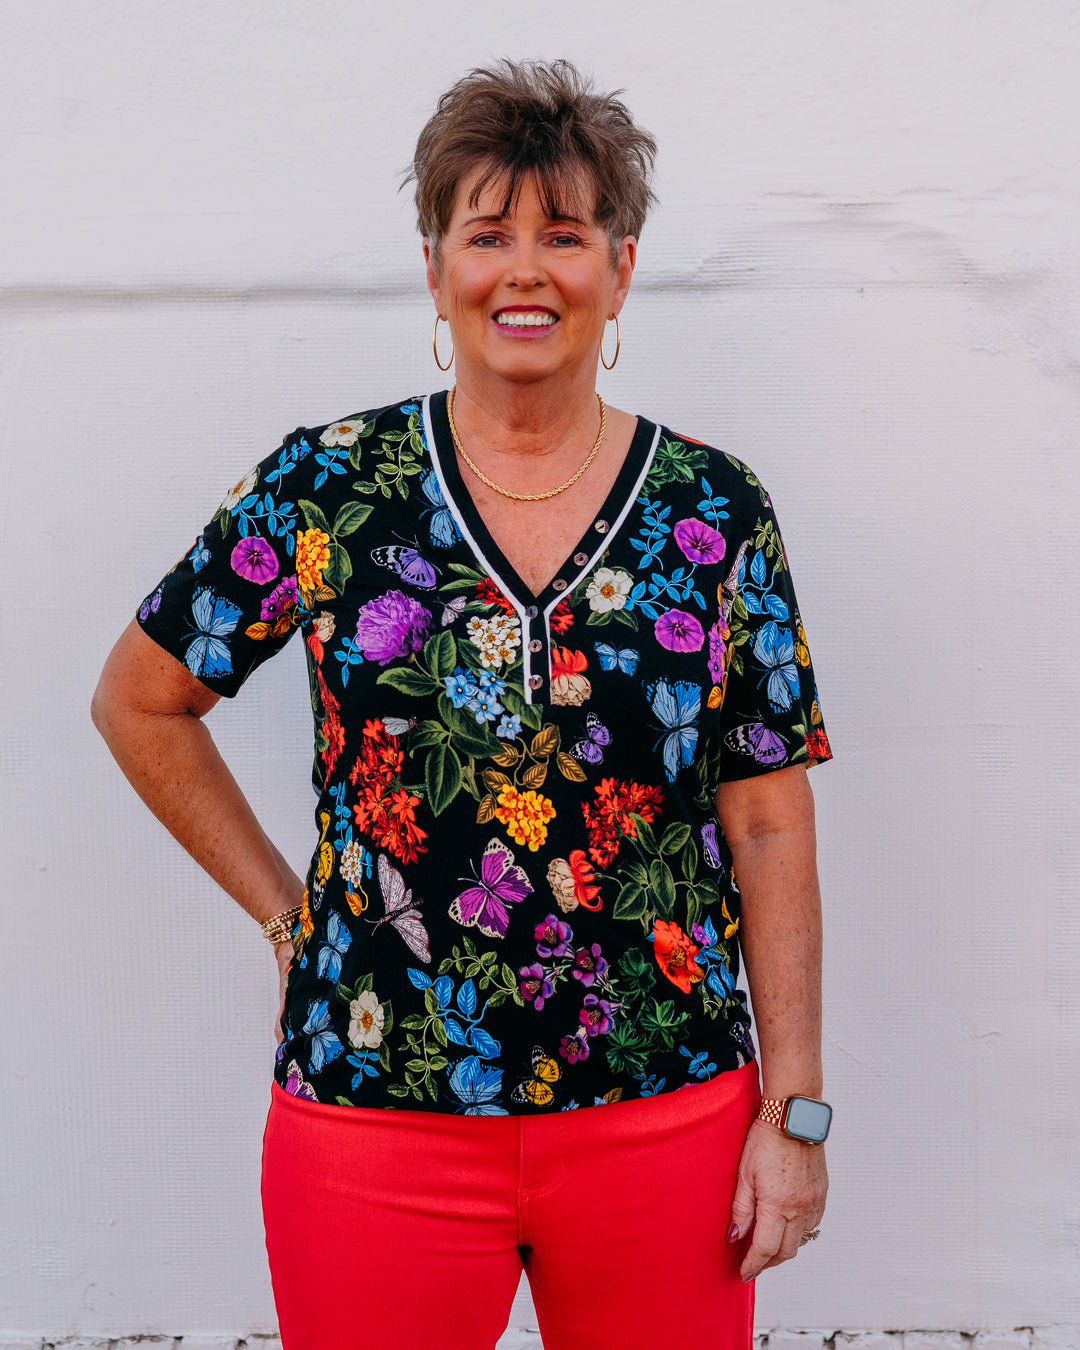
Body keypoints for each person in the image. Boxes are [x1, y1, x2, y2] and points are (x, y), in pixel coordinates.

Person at [92, 58, 832, 1350]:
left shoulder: (714, 510)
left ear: (623, 266)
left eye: (566, 234)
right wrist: (288, 918)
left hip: (665, 1107)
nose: (525, 271)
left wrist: (796, 1113)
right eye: (488, 236)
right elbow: (141, 701)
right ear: (436, 269)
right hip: (373, 1105)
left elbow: (767, 821)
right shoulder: (330, 486)